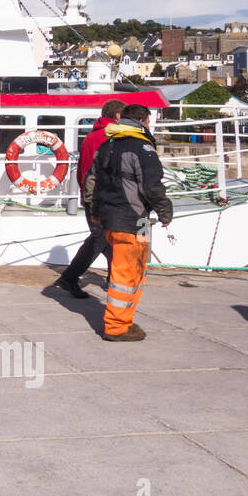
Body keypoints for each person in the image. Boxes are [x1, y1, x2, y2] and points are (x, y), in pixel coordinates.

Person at [90, 103, 173, 342]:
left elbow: (92, 182)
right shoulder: (143, 148)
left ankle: (125, 318)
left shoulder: (106, 146)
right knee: (127, 274)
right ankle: (117, 327)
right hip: (133, 220)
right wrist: (165, 212)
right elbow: (152, 186)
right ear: (144, 121)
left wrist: (96, 212)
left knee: (136, 270)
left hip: (110, 218)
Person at [53, 99, 125, 299]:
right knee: (99, 239)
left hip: (90, 195)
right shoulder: (110, 138)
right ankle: (69, 277)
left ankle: (114, 279)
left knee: (107, 241)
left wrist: (86, 194)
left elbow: (84, 171)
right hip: (104, 198)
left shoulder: (90, 137)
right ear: (118, 117)